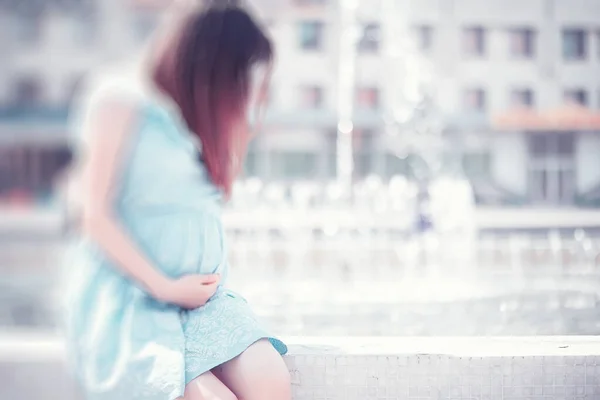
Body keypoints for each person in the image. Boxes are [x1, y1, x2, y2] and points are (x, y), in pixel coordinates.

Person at [61, 2, 290, 399]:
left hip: (202, 305)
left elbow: (219, 193)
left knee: (270, 380)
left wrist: (238, 120)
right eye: (238, 74)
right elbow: (92, 213)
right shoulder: (120, 101)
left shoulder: (196, 122)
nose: (241, 88)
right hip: (132, 300)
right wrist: (164, 286)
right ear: (209, 66)